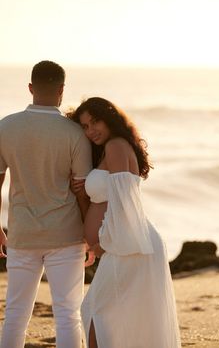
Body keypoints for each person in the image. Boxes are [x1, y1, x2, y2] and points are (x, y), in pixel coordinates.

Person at [69, 97, 182, 348]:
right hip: (126, 243)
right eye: (85, 126)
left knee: (96, 310)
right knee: (115, 318)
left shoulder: (116, 146)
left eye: (95, 122)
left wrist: (102, 245)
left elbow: (124, 205)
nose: (90, 131)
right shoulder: (110, 148)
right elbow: (106, 203)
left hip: (129, 245)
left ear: (110, 118)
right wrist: (81, 193)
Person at [0, 61, 92, 348]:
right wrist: (89, 236)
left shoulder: (5, 127)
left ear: (30, 88)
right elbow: (83, 191)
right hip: (67, 235)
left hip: (22, 234)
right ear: (62, 90)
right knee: (67, 314)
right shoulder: (74, 133)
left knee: (15, 313)